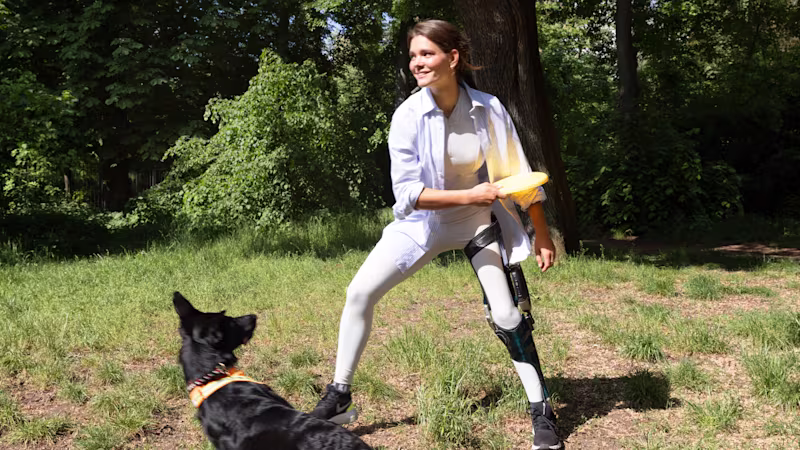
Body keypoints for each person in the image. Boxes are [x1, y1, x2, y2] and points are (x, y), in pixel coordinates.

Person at [310, 19, 562, 450]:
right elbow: (407, 195)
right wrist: (470, 193)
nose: (417, 63)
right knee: (358, 294)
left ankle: (542, 412)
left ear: (453, 58)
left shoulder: (489, 108)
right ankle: (339, 395)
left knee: (506, 315)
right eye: (413, 56)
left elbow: (517, 176)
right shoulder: (407, 115)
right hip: (419, 228)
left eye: (426, 54)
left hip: (476, 225)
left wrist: (541, 233)